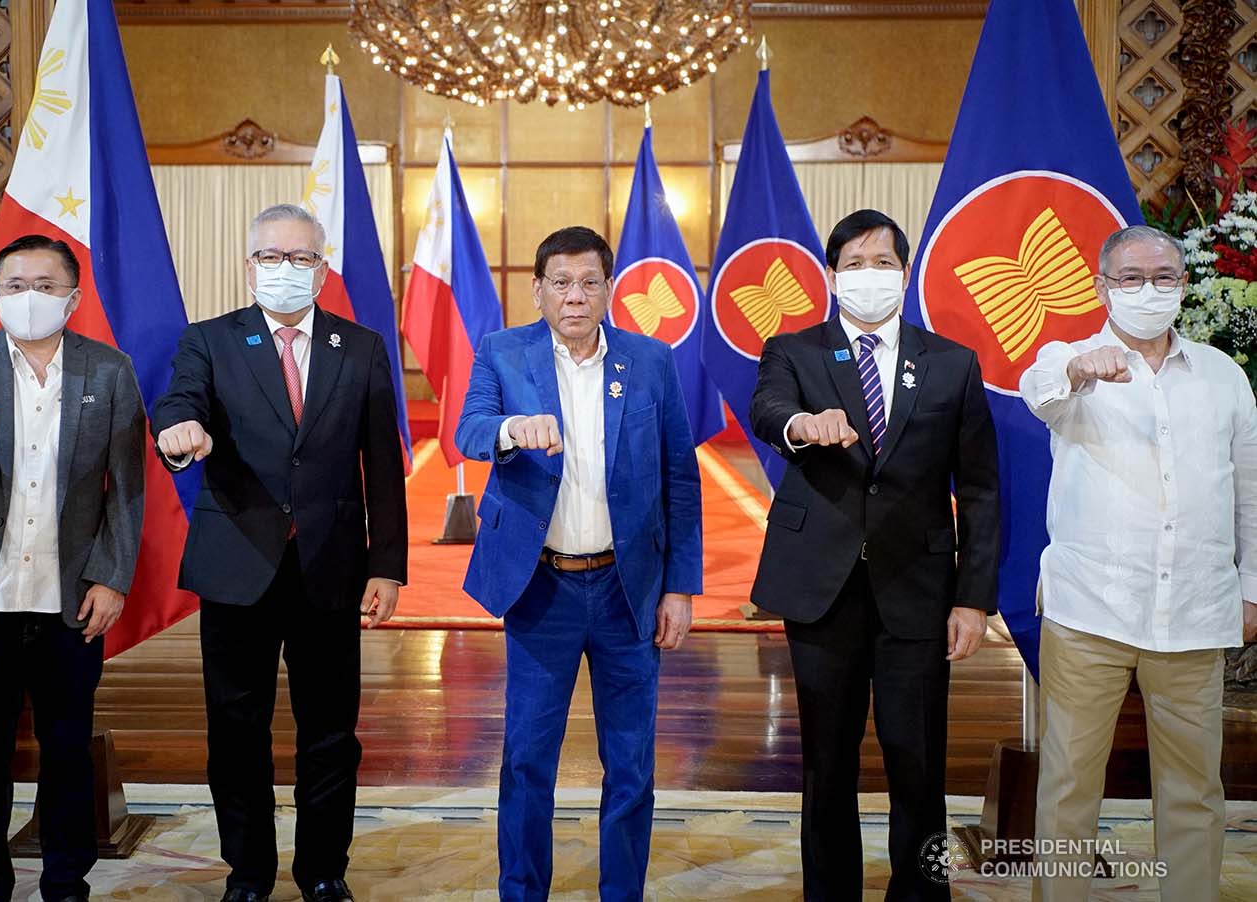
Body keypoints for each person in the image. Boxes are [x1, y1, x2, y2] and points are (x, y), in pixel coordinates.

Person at [152, 204, 408, 902]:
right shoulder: (209, 340)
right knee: (238, 733)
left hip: (331, 569)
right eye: (272, 256)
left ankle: (324, 872)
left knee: (331, 734)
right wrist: (179, 432)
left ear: (322, 270)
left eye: (301, 259)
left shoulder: (360, 347)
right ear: (249, 265)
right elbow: (180, 403)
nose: (285, 269)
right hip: (238, 565)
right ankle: (249, 874)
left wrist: (386, 564)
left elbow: (383, 463)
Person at [749, 209, 1001, 900]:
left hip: (917, 590)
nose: (869, 275)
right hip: (821, 589)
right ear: (832, 276)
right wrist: (802, 423)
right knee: (825, 765)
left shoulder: (950, 363)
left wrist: (973, 598)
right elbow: (768, 409)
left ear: (906, 272)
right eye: (854, 263)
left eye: (882, 262)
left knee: (917, 763)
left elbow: (978, 488)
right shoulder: (795, 351)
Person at [455, 225, 702, 901]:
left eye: (590, 281)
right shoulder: (504, 352)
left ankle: (622, 893)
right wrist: (511, 429)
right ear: (537, 290)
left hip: (630, 594)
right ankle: (522, 891)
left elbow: (680, 475)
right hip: (543, 590)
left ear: (609, 288)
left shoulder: (650, 360)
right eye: (560, 282)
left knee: (630, 763)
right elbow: (471, 427)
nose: (575, 296)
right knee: (528, 760)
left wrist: (681, 586)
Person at [1020, 224, 1257, 902]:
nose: (1147, 289)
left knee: (1193, 788)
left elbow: (1250, 490)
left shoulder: (1222, 375)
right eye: (1130, 277)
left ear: (1185, 286)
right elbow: (1039, 390)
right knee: (1068, 786)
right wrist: (1076, 369)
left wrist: (1253, 588)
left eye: (1163, 276)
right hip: (1089, 611)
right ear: (1101, 286)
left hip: (1193, 610)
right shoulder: (1069, 359)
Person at [0, 234, 145, 901]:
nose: (29, 297)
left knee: (67, 754)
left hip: (70, 598)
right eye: (14, 285)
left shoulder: (108, 371)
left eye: (45, 285)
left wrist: (114, 577)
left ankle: (67, 883)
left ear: (72, 298)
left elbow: (126, 487)